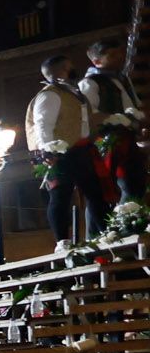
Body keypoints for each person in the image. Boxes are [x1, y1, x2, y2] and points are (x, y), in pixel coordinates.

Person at [26, 53, 104, 248]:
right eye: (70, 66)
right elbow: (42, 125)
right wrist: (47, 151)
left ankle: (105, 235)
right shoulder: (49, 94)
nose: (73, 68)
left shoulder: (73, 92)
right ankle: (62, 242)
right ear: (62, 70)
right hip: (60, 153)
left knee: (95, 193)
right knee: (61, 196)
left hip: (82, 149)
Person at [81, 37, 145, 210]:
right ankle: (110, 224)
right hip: (107, 141)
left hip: (128, 137)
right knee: (108, 188)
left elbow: (134, 103)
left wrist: (136, 120)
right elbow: (88, 113)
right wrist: (115, 119)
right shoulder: (90, 83)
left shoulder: (123, 78)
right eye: (112, 55)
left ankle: (129, 219)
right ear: (96, 61)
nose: (119, 58)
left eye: (120, 53)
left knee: (136, 182)